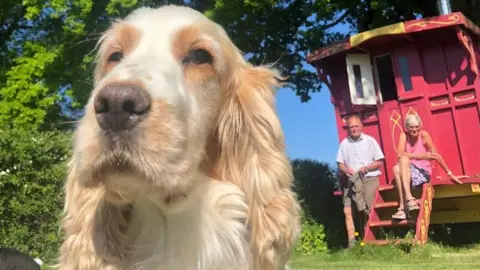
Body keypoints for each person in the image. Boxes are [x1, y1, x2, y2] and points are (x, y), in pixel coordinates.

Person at [391, 114, 463, 220]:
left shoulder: (423, 135)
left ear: (420, 126)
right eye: (411, 127)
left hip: (422, 171)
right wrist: (420, 156)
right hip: (408, 171)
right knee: (397, 167)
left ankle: (404, 205)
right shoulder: (404, 135)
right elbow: (399, 154)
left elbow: (436, 155)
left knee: (402, 162)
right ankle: (407, 201)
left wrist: (450, 173)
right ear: (407, 127)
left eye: (416, 126)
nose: (414, 129)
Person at [336, 114, 385, 248]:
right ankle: (351, 244)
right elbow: (340, 163)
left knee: (367, 209)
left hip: (368, 178)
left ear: (361, 126)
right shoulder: (344, 143)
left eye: (356, 126)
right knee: (347, 211)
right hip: (350, 180)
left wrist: (366, 168)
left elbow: (380, 161)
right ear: (348, 129)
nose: (354, 129)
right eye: (351, 127)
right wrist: (345, 170)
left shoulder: (370, 141)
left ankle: (370, 240)